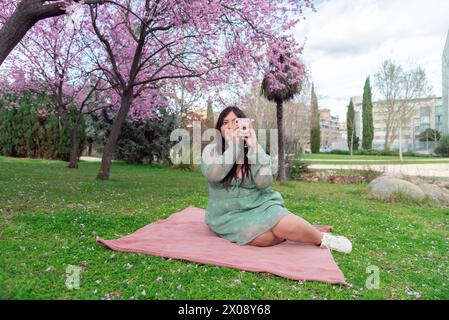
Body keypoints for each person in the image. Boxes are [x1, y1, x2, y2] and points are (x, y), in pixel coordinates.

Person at [200, 106, 352, 253]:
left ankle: (324, 239)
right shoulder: (211, 151)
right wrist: (234, 146)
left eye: (235, 122)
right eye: (225, 123)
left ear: (245, 126)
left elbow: (263, 182)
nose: (230, 126)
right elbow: (214, 175)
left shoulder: (253, 150)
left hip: (258, 204)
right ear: (219, 128)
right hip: (226, 213)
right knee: (264, 239)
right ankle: (299, 230)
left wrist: (255, 147)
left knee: (280, 223)